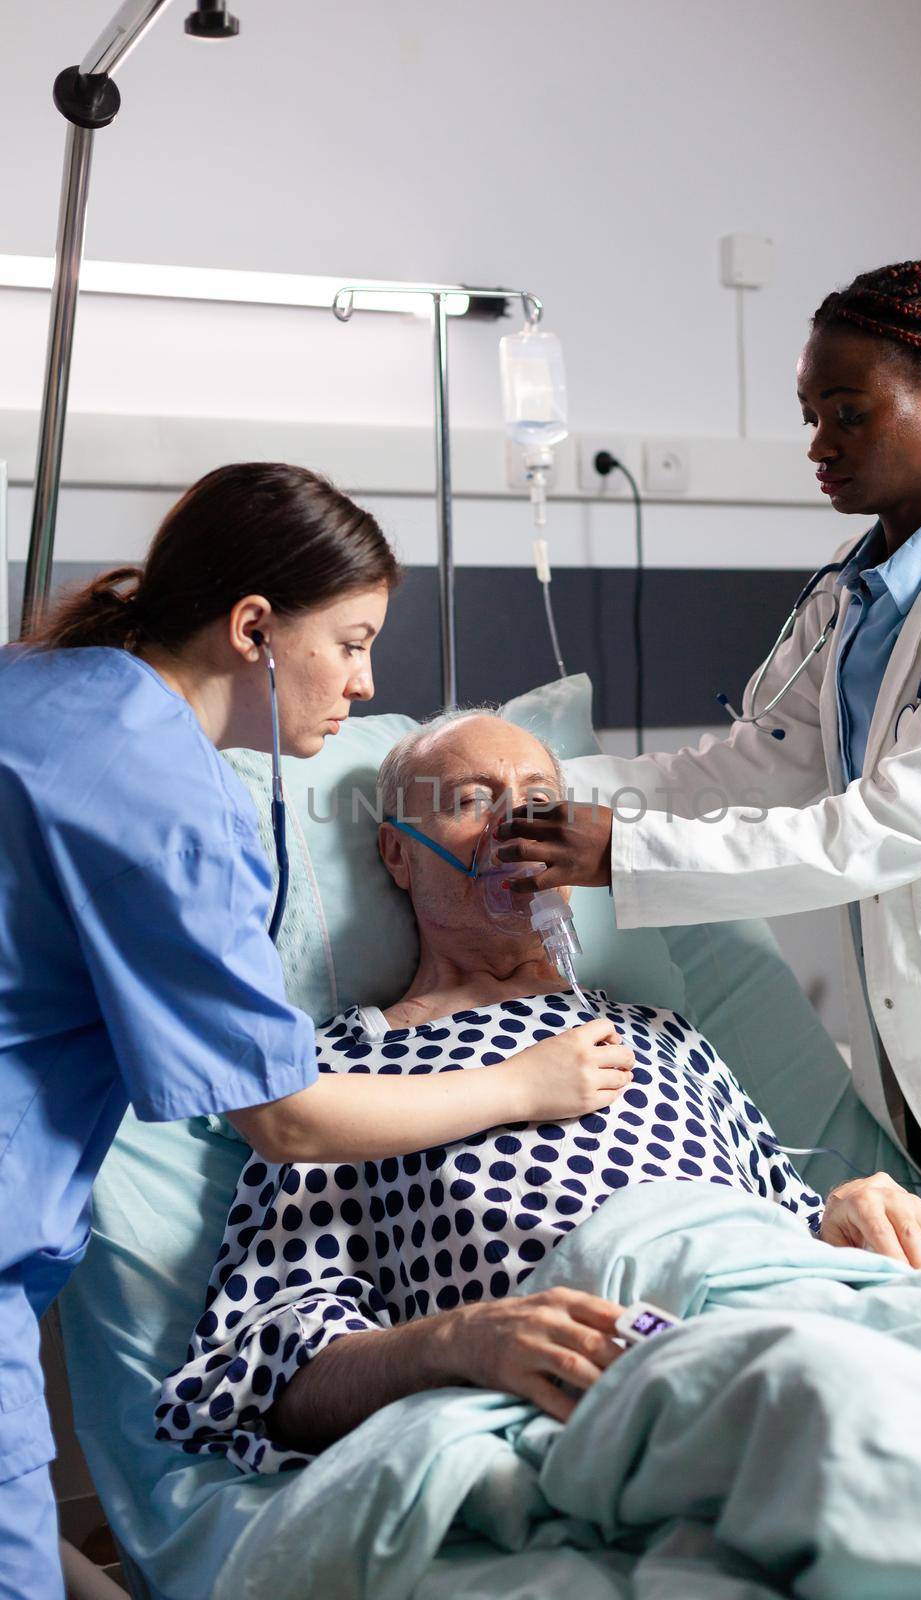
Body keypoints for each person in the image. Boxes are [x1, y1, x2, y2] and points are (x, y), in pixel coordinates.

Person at [0, 467, 629, 1600]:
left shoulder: (47, 694)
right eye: (349, 642)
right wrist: (522, 1087)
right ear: (252, 629)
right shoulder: (169, 800)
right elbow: (286, 1119)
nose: (365, 678)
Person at [153, 711, 921, 1472]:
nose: (516, 827)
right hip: (613, 1371)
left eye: (540, 802)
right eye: (472, 800)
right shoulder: (337, 1077)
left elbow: (789, 1227)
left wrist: (847, 1213)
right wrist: (459, 1342)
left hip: (790, 1312)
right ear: (398, 856)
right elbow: (261, 1379)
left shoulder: (664, 1035)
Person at [495, 260, 921, 1264]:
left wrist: (620, 853)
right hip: (918, 1075)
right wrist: (539, 786)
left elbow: (887, 827)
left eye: (845, 412)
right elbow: (739, 778)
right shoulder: (849, 605)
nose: (817, 445)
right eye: (809, 414)